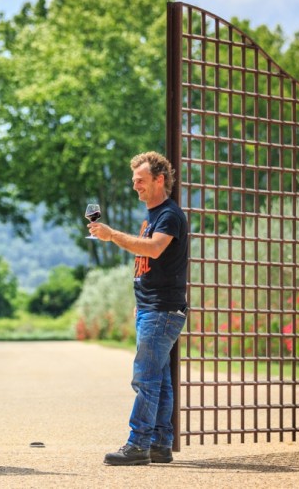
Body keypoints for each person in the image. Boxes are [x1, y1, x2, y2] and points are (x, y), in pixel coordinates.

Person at [87, 151, 188, 466]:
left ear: (160, 180)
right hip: (152, 308)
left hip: (162, 310)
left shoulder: (169, 215)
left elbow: (154, 249)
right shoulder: (156, 216)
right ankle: (159, 444)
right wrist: (139, 302)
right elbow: (147, 265)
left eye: (141, 181)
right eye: (134, 182)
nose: (136, 187)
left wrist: (112, 235)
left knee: (145, 378)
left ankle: (138, 444)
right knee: (159, 378)